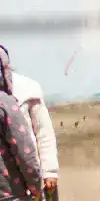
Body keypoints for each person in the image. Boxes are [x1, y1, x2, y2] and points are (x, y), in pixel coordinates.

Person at [0, 46, 58, 197]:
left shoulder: (27, 90)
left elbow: (44, 134)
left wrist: (50, 171)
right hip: (10, 182)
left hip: (38, 174)